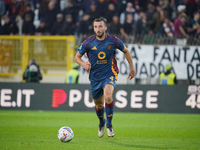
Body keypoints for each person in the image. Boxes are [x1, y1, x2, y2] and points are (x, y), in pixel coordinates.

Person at [74, 17, 135, 138]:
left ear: (105, 27)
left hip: (110, 74)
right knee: (99, 105)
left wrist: (132, 68)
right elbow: (77, 57)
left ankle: (109, 125)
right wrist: (84, 64)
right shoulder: (88, 42)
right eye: (96, 27)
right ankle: (102, 122)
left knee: (108, 97)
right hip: (95, 77)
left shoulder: (113, 40)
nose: (98, 29)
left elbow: (126, 51)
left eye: (100, 26)